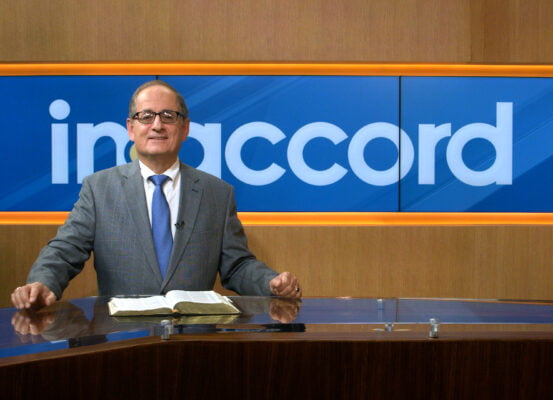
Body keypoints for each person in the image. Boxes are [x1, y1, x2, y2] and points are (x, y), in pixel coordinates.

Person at [11, 80, 301, 310]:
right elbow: (65, 250)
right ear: (131, 128)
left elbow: (237, 265)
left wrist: (270, 283)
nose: (157, 125)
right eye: (146, 116)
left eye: (168, 116)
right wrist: (43, 283)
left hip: (194, 339)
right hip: (124, 340)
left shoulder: (217, 193)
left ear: (185, 128)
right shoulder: (99, 189)